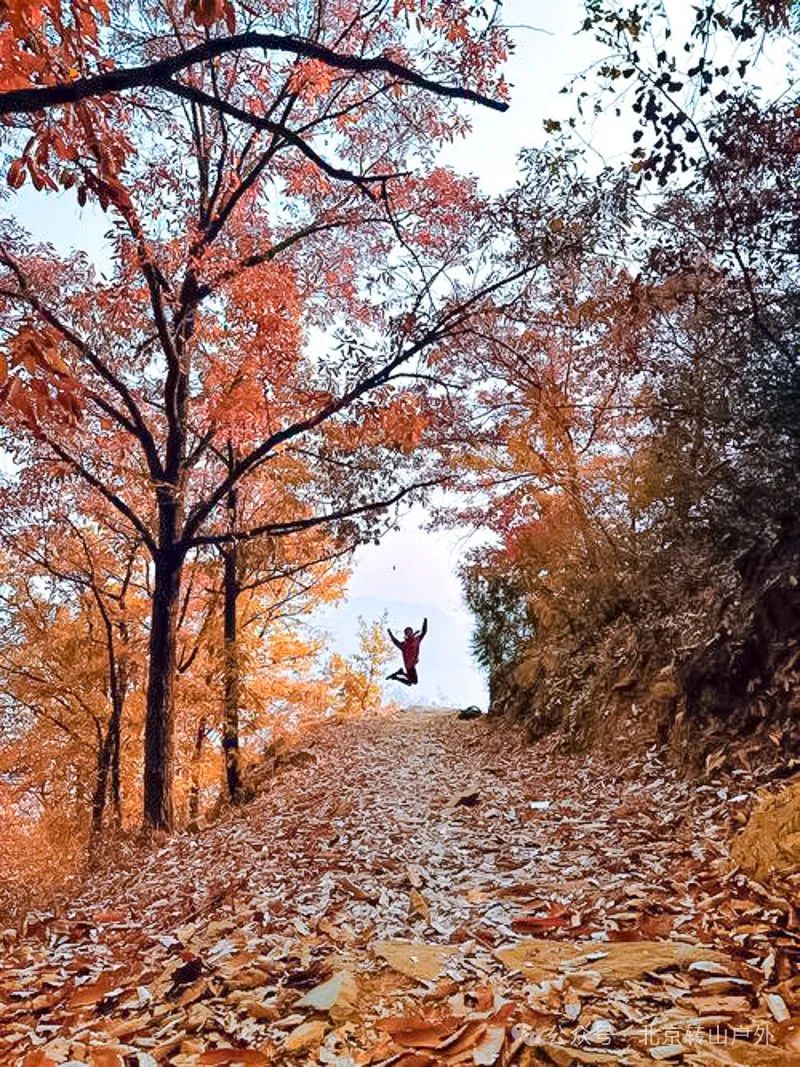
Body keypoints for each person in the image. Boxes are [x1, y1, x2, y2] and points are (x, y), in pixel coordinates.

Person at [387, 618, 428, 686]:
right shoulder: (404, 645)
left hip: (411, 665)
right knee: (412, 682)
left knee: (412, 682)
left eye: (409, 631)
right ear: (406, 635)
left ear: (412, 632)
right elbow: (395, 642)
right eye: (407, 633)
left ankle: (400, 673)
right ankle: (397, 675)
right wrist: (390, 633)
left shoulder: (417, 640)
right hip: (409, 666)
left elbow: (424, 632)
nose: (408, 633)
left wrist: (425, 621)